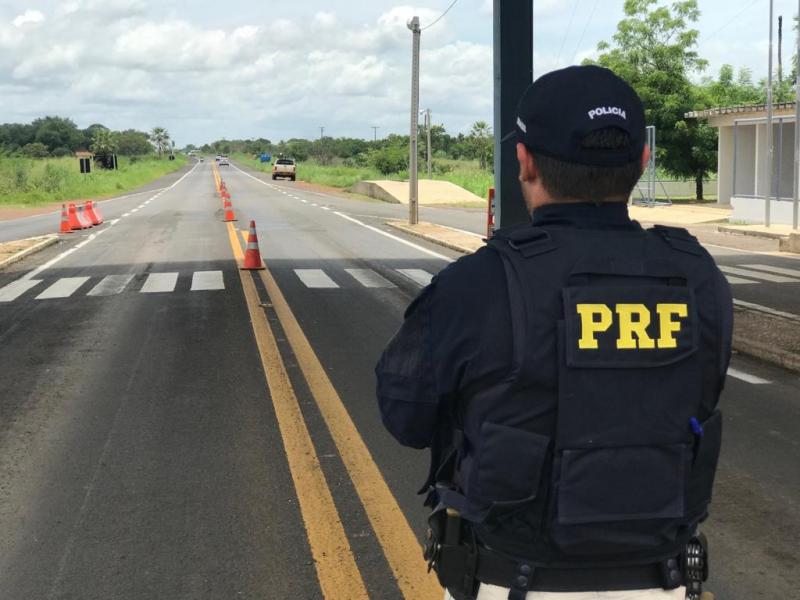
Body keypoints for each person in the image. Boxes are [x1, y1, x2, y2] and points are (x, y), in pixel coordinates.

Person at [376, 65, 731, 600]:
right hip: (663, 581)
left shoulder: (479, 282)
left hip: (507, 580)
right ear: (643, 160)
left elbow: (406, 416)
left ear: (523, 161)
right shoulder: (698, 276)